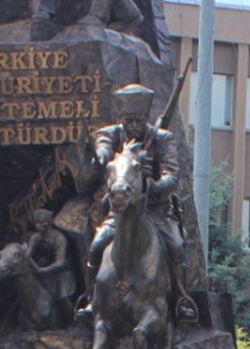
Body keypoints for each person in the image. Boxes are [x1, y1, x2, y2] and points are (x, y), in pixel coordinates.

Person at [82, 84, 198, 324]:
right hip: (121, 212)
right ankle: (92, 300)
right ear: (120, 118)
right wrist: (103, 157)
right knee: (96, 246)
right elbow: (102, 148)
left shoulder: (162, 138)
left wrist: (150, 186)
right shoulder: (111, 134)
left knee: (176, 246)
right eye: (128, 119)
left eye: (138, 119)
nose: (133, 124)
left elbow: (171, 176)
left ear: (146, 118)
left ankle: (181, 299)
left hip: (155, 210)